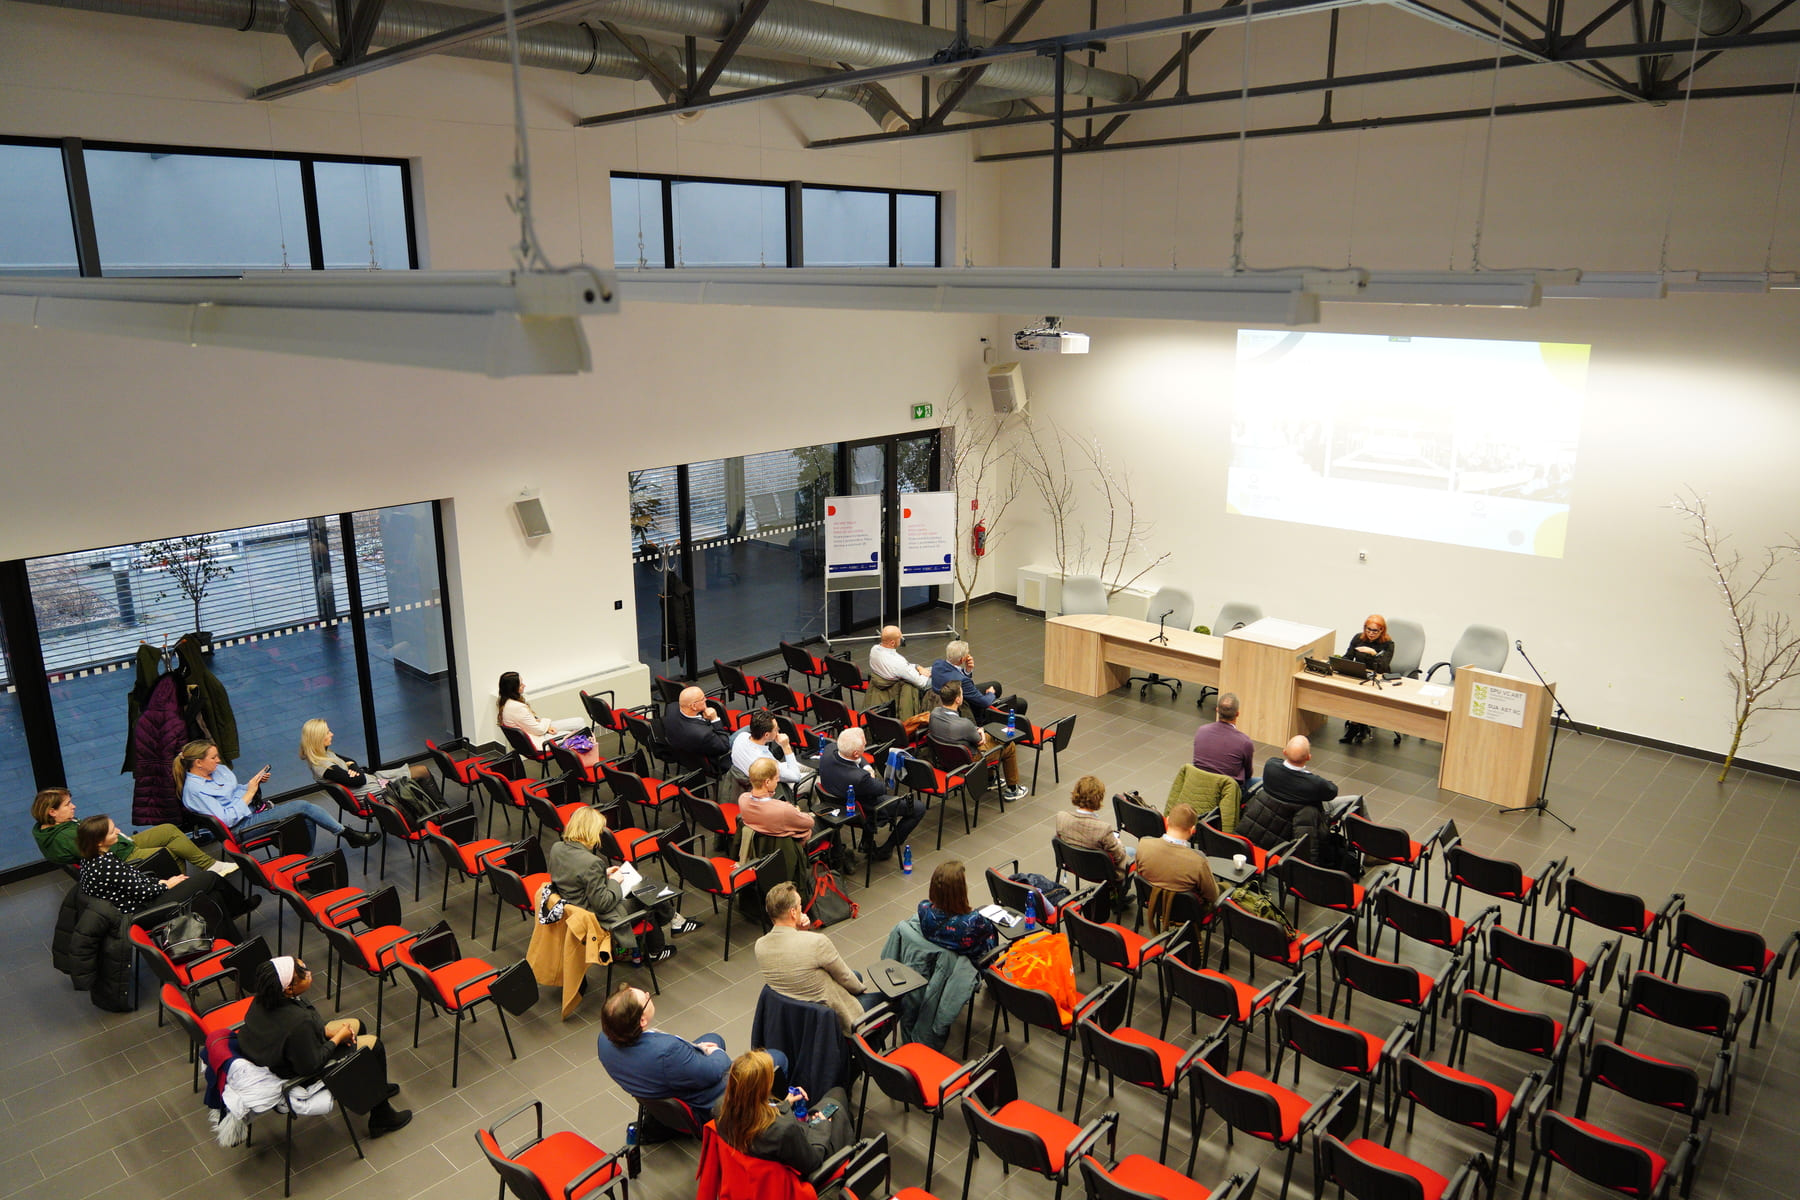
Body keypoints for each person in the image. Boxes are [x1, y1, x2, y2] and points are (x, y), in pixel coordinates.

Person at [237, 956, 412, 1137]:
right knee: (374, 1045)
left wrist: (325, 1031)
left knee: (357, 1025)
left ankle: (374, 1087)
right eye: (304, 973)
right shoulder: (298, 1022)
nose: (309, 973)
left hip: (284, 1053)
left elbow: (297, 1032)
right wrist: (336, 1038)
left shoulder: (263, 999)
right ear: (288, 988)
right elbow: (310, 1066)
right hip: (299, 1073)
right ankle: (382, 1117)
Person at [596, 983, 788, 1118]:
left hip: (659, 1085)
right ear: (642, 1021)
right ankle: (778, 1111)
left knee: (714, 1038)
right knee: (777, 1058)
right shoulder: (667, 1052)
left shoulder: (604, 1039)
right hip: (702, 1100)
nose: (648, 994)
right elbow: (713, 1072)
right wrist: (716, 1053)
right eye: (646, 998)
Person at [178, 740, 376, 855]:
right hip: (238, 828)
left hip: (252, 811)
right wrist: (249, 794)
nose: (219, 760)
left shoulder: (218, 770)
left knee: (305, 817)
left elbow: (235, 791)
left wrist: (252, 784)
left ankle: (303, 863)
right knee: (303, 806)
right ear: (198, 763)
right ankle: (346, 834)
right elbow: (226, 820)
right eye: (213, 758)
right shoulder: (194, 791)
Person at [547, 806, 691, 960]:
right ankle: (658, 949)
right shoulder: (592, 862)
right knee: (645, 895)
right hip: (597, 918)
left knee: (642, 890)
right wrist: (614, 881)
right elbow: (603, 904)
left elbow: (574, 874)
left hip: (575, 909)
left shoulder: (557, 848)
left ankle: (674, 922)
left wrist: (603, 874)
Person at [73, 815, 247, 941]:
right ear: (99, 842)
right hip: (145, 910)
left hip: (142, 901)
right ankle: (239, 906)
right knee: (210, 877)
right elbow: (142, 892)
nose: (118, 831)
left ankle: (232, 939)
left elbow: (133, 879)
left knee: (213, 895)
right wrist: (167, 885)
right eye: (112, 831)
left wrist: (159, 881)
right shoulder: (106, 865)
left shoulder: (93, 859)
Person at [754, 881, 877, 1034]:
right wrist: (861, 989)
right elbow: (845, 977)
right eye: (800, 905)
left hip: (798, 1017)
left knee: (856, 975)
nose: (802, 909)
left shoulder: (760, 946)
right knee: (894, 998)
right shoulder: (817, 943)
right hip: (835, 1017)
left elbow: (794, 953)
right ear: (793, 912)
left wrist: (800, 930)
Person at [712, 1048, 852, 1177]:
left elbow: (756, 1113)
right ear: (762, 1091)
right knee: (837, 1095)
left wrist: (784, 1104)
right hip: (796, 1174)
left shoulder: (720, 1108)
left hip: (748, 1172)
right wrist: (822, 1125)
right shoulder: (784, 1129)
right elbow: (813, 1163)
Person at [32, 786, 232, 875]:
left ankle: (210, 865)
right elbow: (98, 853)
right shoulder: (64, 836)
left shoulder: (56, 825)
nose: (73, 806)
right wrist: (113, 836)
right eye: (67, 804)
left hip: (121, 844)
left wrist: (112, 833)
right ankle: (181, 889)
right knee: (170, 854)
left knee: (168, 830)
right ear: (52, 812)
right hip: (123, 855)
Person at [815, 726, 924, 861]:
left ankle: (867, 841)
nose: (866, 745)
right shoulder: (860, 778)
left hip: (837, 801)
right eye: (864, 745)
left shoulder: (829, 749)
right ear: (856, 753)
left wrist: (866, 767)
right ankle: (886, 849)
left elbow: (858, 759)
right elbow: (882, 789)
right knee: (918, 808)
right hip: (863, 810)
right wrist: (871, 774)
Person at [927, 682, 1028, 803]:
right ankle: (1013, 789)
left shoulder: (935, 713)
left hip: (947, 758)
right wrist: (979, 732)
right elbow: (979, 741)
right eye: (962, 694)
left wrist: (977, 730)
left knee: (990, 737)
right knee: (1009, 746)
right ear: (958, 700)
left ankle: (990, 780)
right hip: (970, 759)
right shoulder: (964, 724)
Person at [1238, 736, 1339, 857]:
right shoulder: (1315, 784)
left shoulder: (1270, 766)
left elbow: (1278, 763)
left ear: (1284, 752)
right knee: (1352, 800)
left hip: (1258, 828)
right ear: (1308, 757)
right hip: (1291, 829)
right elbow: (1332, 791)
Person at [497, 671, 598, 769]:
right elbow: (539, 730)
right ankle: (583, 765)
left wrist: (547, 726)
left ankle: (583, 759)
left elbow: (531, 722)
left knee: (580, 722)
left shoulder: (506, 703)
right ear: (513, 688)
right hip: (539, 741)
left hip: (536, 732)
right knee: (575, 735)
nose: (524, 685)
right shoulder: (517, 707)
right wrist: (546, 722)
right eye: (520, 684)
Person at [1134, 803, 1220, 913]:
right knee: (1224, 887)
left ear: (1167, 821)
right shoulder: (1198, 861)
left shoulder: (1144, 844)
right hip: (1187, 912)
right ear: (1192, 830)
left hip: (1153, 901)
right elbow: (1212, 896)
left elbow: (1140, 873)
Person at [298, 718, 412, 798]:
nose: (332, 734)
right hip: (373, 791)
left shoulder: (324, 754)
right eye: (327, 732)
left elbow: (350, 761)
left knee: (414, 772)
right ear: (318, 738)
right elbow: (359, 780)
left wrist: (352, 768)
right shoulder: (325, 767)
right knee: (415, 778)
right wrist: (355, 770)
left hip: (371, 782)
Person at [1053, 775, 1134, 885]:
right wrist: (1119, 843)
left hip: (1072, 865)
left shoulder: (1061, 817)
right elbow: (1118, 856)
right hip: (1102, 873)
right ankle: (1120, 893)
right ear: (1099, 798)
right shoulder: (1103, 829)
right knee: (1132, 852)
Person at [928, 640, 1028, 723]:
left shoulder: (937, 664)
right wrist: (990, 694)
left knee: (996, 685)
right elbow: (984, 702)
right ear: (962, 659)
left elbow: (953, 673)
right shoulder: (963, 681)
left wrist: (967, 671)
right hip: (964, 706)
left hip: (944, 699)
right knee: (1021, 703)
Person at [916, 860, 998, 958]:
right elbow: (988, 929)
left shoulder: (923, 909)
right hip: (971, 962)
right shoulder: (973, 921)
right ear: (959, 891)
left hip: (939, 957)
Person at [1340, 615, 1396, 744]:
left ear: (1382, 630)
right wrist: (1340, 663)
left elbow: (1382, 666)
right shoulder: (1358, 638)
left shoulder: (1388, 644)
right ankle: (1360, 725)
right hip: (1360, 675)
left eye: (1375, 631)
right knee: (1354, 694)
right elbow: (1348, 656)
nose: (1371, 633)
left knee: (1362, 697)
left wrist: (1373, 653)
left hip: (1378, 678)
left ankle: (1355, 727)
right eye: (1368, 629)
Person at [1191, 692, 1257, 792]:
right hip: (1227, 792)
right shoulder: (1245, 742)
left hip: (1200, 786)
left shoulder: (1201, 730)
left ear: (1217, 710)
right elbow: (1248, 774)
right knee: (1262, 782)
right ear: (1237, 714)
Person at [731, 710, 813, 786]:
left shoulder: (741, 737)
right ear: (766, 735)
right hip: (773, 785)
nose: (778, 730)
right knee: (815, 779)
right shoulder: (767, 762)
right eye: (776, 729)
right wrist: (786, 747)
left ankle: (814, 772)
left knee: (804, 768)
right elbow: (796, 777)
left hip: (747, 777)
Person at [740, 758, 815, 840]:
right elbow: (810, 823)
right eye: (776, 778)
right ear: (767, 782)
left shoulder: (743, 799)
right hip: (794, 844)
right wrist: (796, 811)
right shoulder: (784, 810)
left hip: (760, 844)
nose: (778, 780)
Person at [665, 686, 732, 773]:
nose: (706, 699)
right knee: (745, 731)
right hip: (714, 761)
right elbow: (724, 747)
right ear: (693, 706)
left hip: (684, 755)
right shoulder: (703, 734)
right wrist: (715, 719)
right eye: (702, 699)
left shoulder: (671, 708)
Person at [869, 626, 930, 690]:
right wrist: (926, 674)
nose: (902, 640)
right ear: (892, 643)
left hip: (895, 676)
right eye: (900, 638)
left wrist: (918, 667)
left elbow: (905, 667)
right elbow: (922, 683)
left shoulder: (874, 649)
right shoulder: (897, 663)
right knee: (937, 670)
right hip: (919, 682)